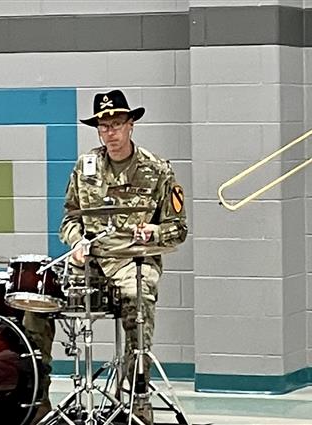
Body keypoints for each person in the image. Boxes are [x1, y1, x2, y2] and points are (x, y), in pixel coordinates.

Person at [24, 89, 188, 425]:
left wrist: (152, 234)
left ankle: (136, 393)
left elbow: (178, 229)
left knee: (137, 298)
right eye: (103, 126)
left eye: (115, 124)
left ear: (130, 125)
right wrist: (76, 242)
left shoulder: (157, 170)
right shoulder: (85, 168)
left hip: (133, 262)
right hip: (89, 263)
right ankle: (37, 396)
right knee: (37, 301)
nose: (109, 132)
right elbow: (69, 219)